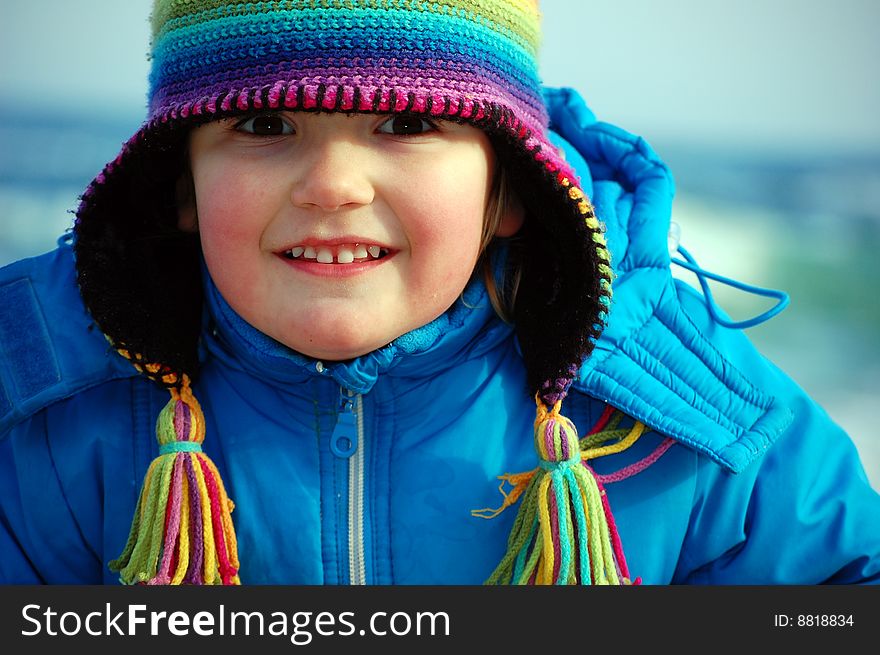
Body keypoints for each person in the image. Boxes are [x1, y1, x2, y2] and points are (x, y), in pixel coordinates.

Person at [1, 0, 878, 586]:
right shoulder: (41, 408)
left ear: (506, 192)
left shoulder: (684, 420)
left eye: (408, 123)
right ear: (181, 187)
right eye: (264, 125)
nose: (333, 183)